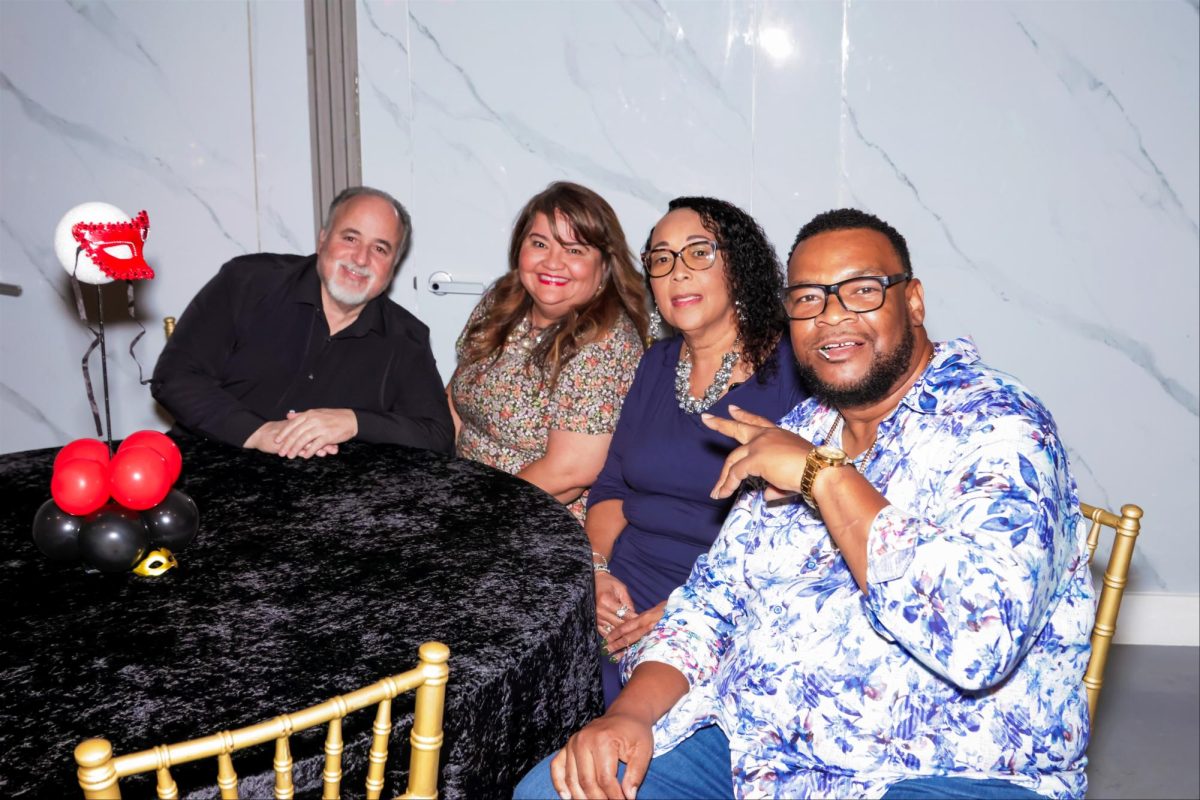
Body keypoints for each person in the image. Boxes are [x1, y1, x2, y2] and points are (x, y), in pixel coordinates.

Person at [516, 208, 1095, 799]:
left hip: (941, 762)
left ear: (913, 301)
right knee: (550, 791)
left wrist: (824, 476)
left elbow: (980, 644)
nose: (831, 316)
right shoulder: (805, 424)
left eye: (861, 291)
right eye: (810, 299)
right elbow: (711, 603)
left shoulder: (1001, 429)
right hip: (758, 745)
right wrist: (631, 715)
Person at [588, 196, 805, 707]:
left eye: (699, 253)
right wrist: (597, 573)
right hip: (618, 592)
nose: (677, 273)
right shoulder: (656, 363)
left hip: (726, 607)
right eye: (661, 259)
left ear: (739, 267)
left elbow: (801, 535)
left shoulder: (794, 371)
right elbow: (612, 485)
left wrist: (685, 611)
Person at [152, 186, 453, 458]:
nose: (361, 259)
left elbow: (437, 435)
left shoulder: (406, 337)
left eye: (380, 248)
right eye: (350, 238)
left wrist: (352, 421)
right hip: (209, 469)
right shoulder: (246, 282)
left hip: (325, 503)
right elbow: (175, 377)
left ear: (393, 266)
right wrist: (257, 433)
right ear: (322, 239)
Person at [449, 182, 647, 522]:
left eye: (574, 250)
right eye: (539, 243)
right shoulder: (502, 299)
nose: (552, 263)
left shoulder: (606, 344)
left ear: (604, 266)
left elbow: (569, 473)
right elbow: (456, 395)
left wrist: (473, 514)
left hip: (537, 518)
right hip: (467, 495)